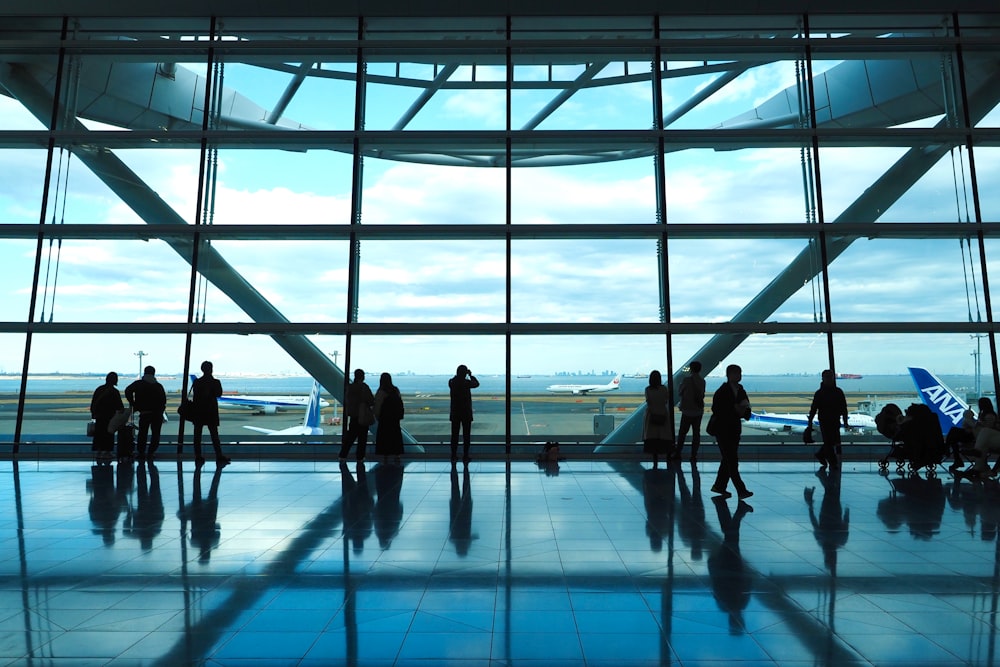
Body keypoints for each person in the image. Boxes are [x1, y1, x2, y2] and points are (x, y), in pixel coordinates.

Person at [710, 364, 753, 500]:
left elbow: (747, 410)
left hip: (734, 429)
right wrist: (736, 409)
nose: (739, 376)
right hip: (723, 430)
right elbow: (717, 409)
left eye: (740, 373)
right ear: (728, 375)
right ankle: (741, 490)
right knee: (732, 460)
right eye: (736, 373)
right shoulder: (722, 391)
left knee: (727, 459)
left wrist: (739, 409)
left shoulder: (740, 390)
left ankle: (719, 486)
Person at [190, 361, 231, 468]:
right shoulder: (215, 382)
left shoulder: (197, 382)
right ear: (211, 369)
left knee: (197, 435)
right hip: (211, 411)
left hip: (199, 412)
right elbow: (219, 394)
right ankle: (219, 456)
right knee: (214, 436)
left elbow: (195, 397)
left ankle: (198, 456)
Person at [807, 370, 849, 469]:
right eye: (828, 377)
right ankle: (832, 461)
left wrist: (845, 420)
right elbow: (814, 408)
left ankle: (822, 455)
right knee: (830, 442)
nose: (829, 379)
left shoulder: (821, 393)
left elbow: (843, 407)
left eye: (830, 377)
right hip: (825, 421)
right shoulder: (836, 392)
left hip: (832, 420)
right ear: (823, 378)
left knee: (830, 442)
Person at [124, 365, 167, 462]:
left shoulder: (139, 384)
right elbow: (163, 400)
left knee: (142, 434)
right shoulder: (158, 386)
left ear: (144, 373)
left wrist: (133, 403)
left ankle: (141, 453)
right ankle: (151, 453)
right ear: (153, 373)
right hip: (157, 414)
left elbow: (127, 391)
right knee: (156, 434)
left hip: (144, 413)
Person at [339, 369, 376, 462]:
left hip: (354, 417)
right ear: (362, 377)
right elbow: (371, 401)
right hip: (363, 417)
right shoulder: (364, 387)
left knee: (350, 438)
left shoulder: (350, 388)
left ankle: (343, 455)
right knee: (362, 439)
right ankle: (360, 457)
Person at [675, 361, 706, 462]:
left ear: (691, 369)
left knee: (682, 433)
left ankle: (678, 453)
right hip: (698, 411)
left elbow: (680, 392)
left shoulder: (686, 380)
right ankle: (694, 455)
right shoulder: (702, 381)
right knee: (696, 434)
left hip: (687, 410)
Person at [448, 364, 480, 463]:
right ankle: (465, 455)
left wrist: (457, 376)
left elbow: (453, 380)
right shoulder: (466, 383)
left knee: (454, 436)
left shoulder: (452, 382)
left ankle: (453, 455)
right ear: (465, 373)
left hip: (455, 413)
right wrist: (470, 375)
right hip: (466, 413)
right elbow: (476, 384)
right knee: (466, 436)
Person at [90, 372, 124, 460]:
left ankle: (99, 452)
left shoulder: (99, 389)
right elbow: (120, 406)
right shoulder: (114, 392)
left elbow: (93, 403)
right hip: (110, 417)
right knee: (109, 435)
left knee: (99, 434)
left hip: (99, 417)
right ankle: (107, 452)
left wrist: (94, 414)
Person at [643, 370, 672, 468]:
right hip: (663, 413)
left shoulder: (648, 389)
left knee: (652, 437)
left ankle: (655, 460)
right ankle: (668, 456)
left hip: (652, 414)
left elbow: (648, 402)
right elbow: (665, 400)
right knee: (664, 436)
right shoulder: (664, 389)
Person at [374, 372, 405, 462]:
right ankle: (397, 454)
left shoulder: (381, 391)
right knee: (395, 436)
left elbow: (377, 406)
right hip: (395, 419)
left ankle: (385, 456)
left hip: (384, 419)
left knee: (384, 438)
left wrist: (377, 416)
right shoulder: (395, 390)